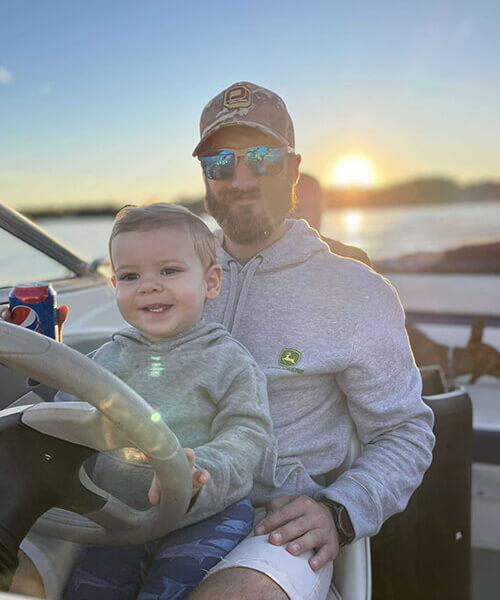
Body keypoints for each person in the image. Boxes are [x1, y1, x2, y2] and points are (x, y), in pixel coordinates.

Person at [172, 81, 434, 600]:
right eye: (220, 162)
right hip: (165, 500)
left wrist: (339, 511)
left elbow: (406, 432)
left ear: (292, 170)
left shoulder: (355, 290)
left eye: (263, 158)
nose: (240, 178)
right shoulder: (171, 278)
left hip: (275, 526)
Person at [8, 203, 273, 600]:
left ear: (211, 282)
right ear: (115, 285)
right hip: (117, 520)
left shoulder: (229, 360)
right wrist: (38, 354)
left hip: (205, 516)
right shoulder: (102, 360)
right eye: (131, 276)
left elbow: (249, 433)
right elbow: (64, 417)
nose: (149, 285)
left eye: (169, 271)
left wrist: (203, 472)